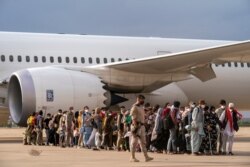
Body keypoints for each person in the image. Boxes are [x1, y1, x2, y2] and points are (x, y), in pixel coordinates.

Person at [130, 94, 153, 162]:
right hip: (137, 126)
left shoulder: (141, 107)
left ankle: (146, 157)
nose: (143, 101)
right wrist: (135, 127)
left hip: (142, 126)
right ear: (138, 99)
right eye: (142, 99)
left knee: (143, 142)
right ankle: (132, 157)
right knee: (134, 142)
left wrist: (148, 110)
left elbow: (143, 113)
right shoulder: (134, 107)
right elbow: (133, 117)